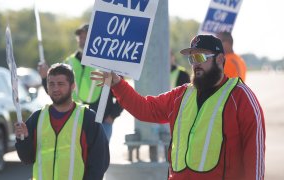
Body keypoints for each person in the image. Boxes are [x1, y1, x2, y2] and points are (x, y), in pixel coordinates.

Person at [91, 35, 265, 180]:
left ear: (220, 59)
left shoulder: (241, 98)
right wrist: (118, 84)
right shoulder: (181, 95)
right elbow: (144, 108)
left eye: (200, 57)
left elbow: (254, 157)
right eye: (191, 58)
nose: (195, 64)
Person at [15, 63, 109, 180]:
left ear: (72, 86)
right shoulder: (37, 117)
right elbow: (27, 159)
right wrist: (23, 139)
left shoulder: (88, 118)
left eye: (61, 84)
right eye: (51, 84)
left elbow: (99, 163)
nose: (55, 89)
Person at [38, 24, 123, 141]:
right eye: (81, 38)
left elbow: (122, 91)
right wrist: (44, 78)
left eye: (86, 38)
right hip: (74, 121)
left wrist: (112, 115)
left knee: (98, 158)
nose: (82, 41)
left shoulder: (107, 62)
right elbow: (56, 93)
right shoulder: (69, 62)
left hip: (101, 122)